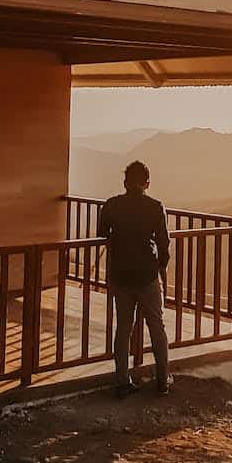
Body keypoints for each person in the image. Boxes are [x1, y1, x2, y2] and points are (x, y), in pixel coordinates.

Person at [97, 160, 173, 397]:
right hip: (147, 274)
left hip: (121, 274)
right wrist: (161, 268)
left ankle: (122, 381)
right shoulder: (155, 207)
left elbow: (102, 232)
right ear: (147, 183)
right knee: (156, 326)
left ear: (125, 182)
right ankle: (162, 380)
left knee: (124, 328)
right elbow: (163, 243)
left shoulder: (111, 205)